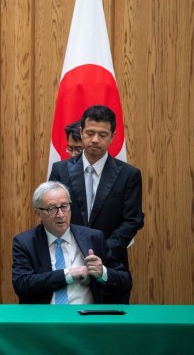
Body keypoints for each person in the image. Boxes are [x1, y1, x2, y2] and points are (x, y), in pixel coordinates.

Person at [49, 105, 143, 303]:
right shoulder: (60, 170)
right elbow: (51, 212)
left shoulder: (128, 175)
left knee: (108, 329)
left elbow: (132, 220)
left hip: (110, 265)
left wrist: (103, 250)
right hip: (68, 261)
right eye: (90, 133)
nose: (95, 140)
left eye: (102, 134)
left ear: (112, 136)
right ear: (81, 132)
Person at [12, 181, 132, 304]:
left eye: (64, 206)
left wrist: (102, 272)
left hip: (85, 317)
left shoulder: (93, 237)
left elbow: (125, 280)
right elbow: (22, 284)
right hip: (45, 318)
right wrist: (70, 273)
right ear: (38, 214)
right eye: (52, 209)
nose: (60, 214)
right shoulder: (25, 242)